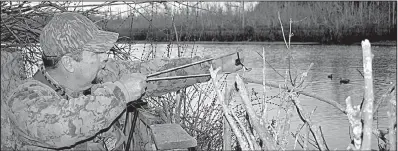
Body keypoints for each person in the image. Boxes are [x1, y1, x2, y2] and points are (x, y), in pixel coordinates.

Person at [2, 12, 245, 150]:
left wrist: (212, 66)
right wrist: (121, 94)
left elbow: (154, 73)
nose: (105, 57)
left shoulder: (99, 76)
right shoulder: (24, 100)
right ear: (69, 62)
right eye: (96, 53)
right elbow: (64, 124)